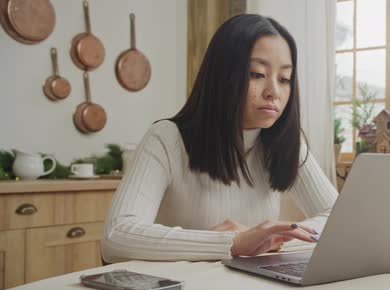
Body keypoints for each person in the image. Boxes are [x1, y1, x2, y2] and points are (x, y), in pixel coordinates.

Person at [101, 14, 338, 263]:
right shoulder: (166, 139)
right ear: (223, 75)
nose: (274, 92)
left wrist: (275, 236)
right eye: (257, 74)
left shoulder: (285, 143)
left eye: (284, 79)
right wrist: (231, 243)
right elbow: (116, 236)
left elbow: (339, 217)